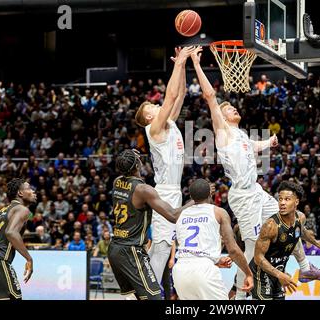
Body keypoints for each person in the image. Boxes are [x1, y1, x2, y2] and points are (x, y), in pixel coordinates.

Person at [191, 47, 320, 299]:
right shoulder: (222, 132)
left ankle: (306, 268)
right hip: (243, 197)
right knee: (253, 246)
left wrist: (269, 143)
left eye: (234, 107)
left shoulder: (241, 135)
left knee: (289, 221)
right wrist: (196, 63)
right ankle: (237, 290)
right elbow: (210, 95)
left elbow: (254, 146)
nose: (233, 109)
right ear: (221, 117)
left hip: (256, 192)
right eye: (229, 108)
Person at [134, 47, 193, 286]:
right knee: (160, 247)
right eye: (153, 108)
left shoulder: (167, 122)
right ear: (149, 118)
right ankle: (146, 290)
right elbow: (169, 99)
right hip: (165, 191)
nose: (158, 107)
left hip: (174, 191)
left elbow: (180, 95)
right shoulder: (153, 129)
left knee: (164, 245)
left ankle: (145, 288)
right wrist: (178, 64)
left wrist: (184, 66)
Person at [107, 149, 192, 300]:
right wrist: (195, 201)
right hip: (131, 250)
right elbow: (173, 215)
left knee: (138, 297)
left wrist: (129, 157)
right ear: (137, 165)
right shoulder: (143, 190)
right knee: (154, 297)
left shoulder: (117, 182)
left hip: (115, 247)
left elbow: (126, 167)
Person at [250, 181, 320, 300]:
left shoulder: (300, 218)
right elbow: (258, 258)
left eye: (287, 199)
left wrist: (316, 242)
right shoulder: (270, 226)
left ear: (296, 202)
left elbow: (301, 231)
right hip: (262, 272)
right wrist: (280, 275)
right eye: (280, 199)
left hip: (279, 271)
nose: (282, 203)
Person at [173, 179, 253, 300]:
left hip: (180, 270)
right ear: (210, 194)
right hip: (204, 271)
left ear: (191, 196)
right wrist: (248, 273)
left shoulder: (180, 215)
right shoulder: (219, 212)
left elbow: (191, 251)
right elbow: (232, 250)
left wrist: (215, 261)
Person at [0, 178, 37, 299]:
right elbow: (11, 232)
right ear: (20, 193)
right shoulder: (22, 209)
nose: (33, 192)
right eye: (29, 189)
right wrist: (29, 259)